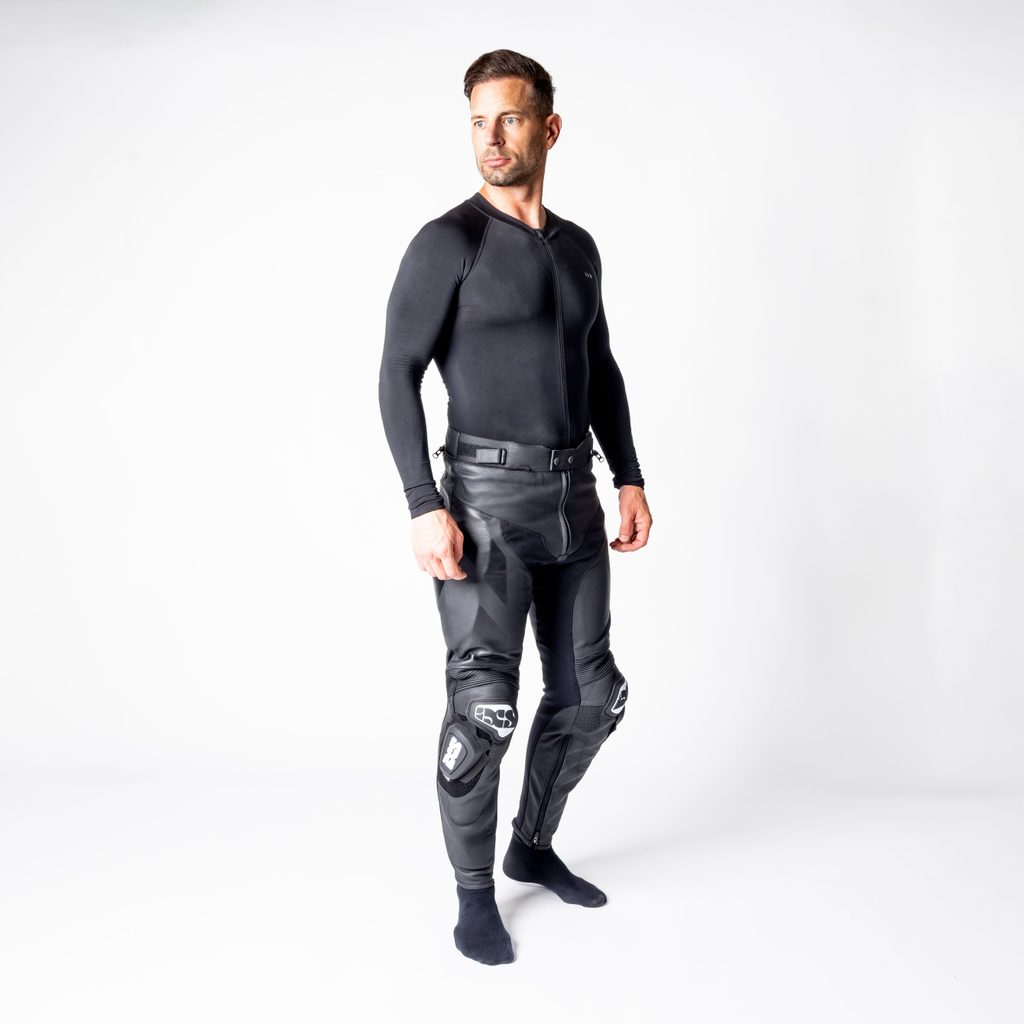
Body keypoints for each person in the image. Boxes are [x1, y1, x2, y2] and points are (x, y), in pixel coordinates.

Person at [377, 48, 653, 965]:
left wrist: (629, 475)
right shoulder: (448, 243)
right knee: (484, 712)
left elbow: (599, 365)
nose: (491, 138)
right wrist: (423, 504)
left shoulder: (577, 249)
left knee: (593, 697)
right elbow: (396, 372)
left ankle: (532, 845)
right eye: (477, 121)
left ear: (549, 128)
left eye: (510, 118)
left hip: (575, 501)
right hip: (486, 507)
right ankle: (473, 897)